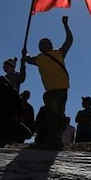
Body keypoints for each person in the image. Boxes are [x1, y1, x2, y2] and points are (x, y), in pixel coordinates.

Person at [23, 16, 73, 147]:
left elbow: (27, 59)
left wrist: (25, 54)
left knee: (53, 116)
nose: (46, 44)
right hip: (59, 90)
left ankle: (54, 138)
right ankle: (53, 138)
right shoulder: (56, 54)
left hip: (53, 91)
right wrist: (66, 25)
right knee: (54, 116)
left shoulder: (42, 58)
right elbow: (69, 40)